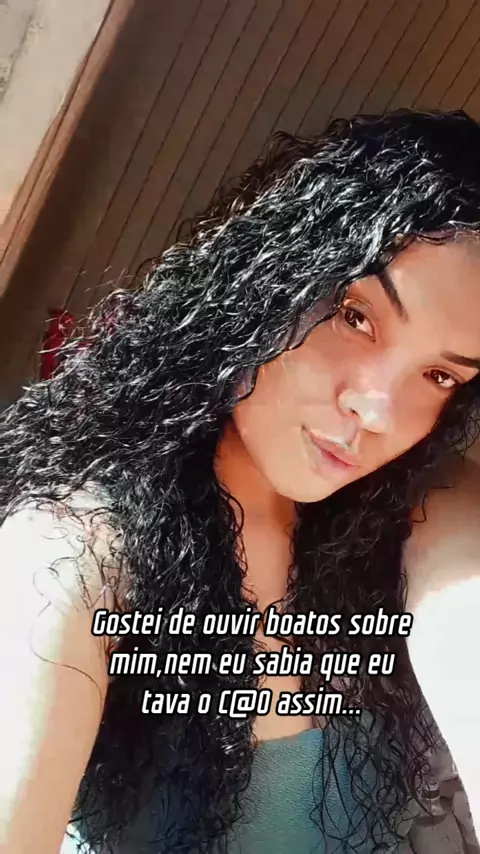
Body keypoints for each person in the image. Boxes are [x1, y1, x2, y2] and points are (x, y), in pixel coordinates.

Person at [1, 108, 480, 854]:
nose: (378, 410)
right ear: (269, 282)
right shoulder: (75, 550)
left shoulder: (417, 502)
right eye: (355, 317)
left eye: (439, 374)